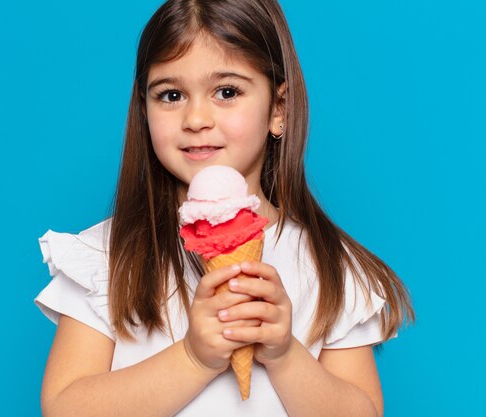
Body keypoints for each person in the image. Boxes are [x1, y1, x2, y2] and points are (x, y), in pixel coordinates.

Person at [34, 0, 415, 416]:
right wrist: (194, 357)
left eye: (227, 91)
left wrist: (286, 354)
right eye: (171, 95)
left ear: (279, 110)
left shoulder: (331, 267)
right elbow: (65, 408)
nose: (196, 118)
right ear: (143, 109)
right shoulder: (107, 257)